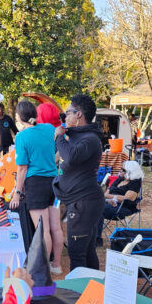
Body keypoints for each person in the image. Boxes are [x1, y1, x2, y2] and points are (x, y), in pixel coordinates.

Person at [10, 99, 63, 274]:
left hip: (37, 184)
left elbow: (22, 168)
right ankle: (56, 265)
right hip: (55, 183)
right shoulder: (48, 128)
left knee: (42, 230)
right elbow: (60, 132)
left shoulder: (22, 137)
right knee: (56, 227)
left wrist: (17, 192)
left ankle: (42, 269)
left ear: (19, 117)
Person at [54, 94, 104, 271]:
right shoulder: (78, 136)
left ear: (79, 114)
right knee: (87, 251)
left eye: (68, 113)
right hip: (79, 201)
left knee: (77, 254)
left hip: (84, 203)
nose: (65, 117)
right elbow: (67, 157)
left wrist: (59, 137)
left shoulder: (89, 139)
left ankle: (78, 295)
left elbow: (72, 157)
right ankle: (92, 293)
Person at [97, 160, 142, 243]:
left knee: (97, 209)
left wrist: (110, 197)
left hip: (123, 208)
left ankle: (96, 239)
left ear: (130, 171)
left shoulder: (135, 183)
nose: (120, 171)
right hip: (108, 203)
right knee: (90, 206)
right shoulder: (120, 179)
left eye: (123, 169)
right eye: (120, 168)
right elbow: (106, 193)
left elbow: (127, 199)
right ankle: (87, 236)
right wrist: (111, 198)